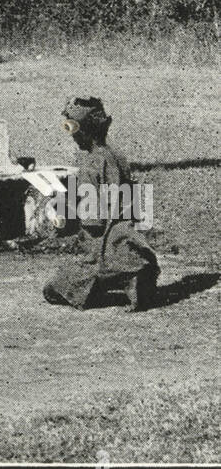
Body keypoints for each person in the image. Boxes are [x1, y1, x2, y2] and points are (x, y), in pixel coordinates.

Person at [43, 96, 158, 311]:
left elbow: (93, 224)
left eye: (71, 128)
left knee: (52, 290)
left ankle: (123, 276)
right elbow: (134, 204)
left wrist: (65, 209)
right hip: (132, 242)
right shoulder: (118, 157)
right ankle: (135, 273)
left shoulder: (90, 166)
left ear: (83, 131)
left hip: (106, 250)